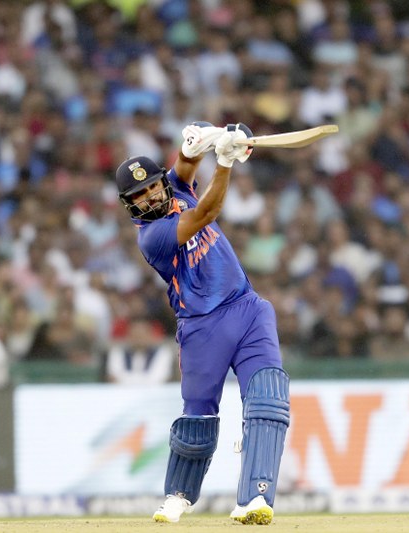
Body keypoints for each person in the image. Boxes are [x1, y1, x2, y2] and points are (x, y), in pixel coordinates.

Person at [114, 122, 290, 525]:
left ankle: (255, 498)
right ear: (130, 205)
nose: (149, 197)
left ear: (160, 182)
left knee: (267, 400)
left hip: (247, 308)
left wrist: (207, 140)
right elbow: (207, 210)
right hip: (201, 326)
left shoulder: (175, 185)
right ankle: (177, 495)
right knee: (198, 418)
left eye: (151, 187)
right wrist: (225, 162)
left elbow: (188, 159)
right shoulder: (151, 236)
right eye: (137, 196)